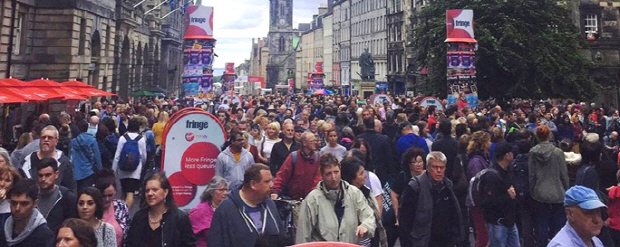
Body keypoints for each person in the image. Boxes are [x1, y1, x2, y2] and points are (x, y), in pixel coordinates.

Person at [296, 153, 376, 244]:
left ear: (340, 170)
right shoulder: (312, 200)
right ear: (322, 175)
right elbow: (303, 235)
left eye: (336, 172)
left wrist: (365, 226)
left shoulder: (354, 193)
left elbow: (368, 215)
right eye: (328, 174)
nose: (333, 178)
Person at [208, 164, 286, 247]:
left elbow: (282, 238)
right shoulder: (226, 209)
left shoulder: (270, 205)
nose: (272, 185)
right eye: (267, 182)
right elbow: (216, 242)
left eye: (271, 180)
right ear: (253, 184)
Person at [398, 151, 463, 247]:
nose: (439, 170)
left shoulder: (448, 186)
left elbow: (455, 215)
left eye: (442, 167)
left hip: (445, 241)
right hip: (422, 241)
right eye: (435, 167)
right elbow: (405, 220)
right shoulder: (415, 187)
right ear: (427, 168)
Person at [124, 172, 196, 247]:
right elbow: (130, 243)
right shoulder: (139, 217)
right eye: (147, 191)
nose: (150, 193)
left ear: (165, 192)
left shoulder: (179, 218)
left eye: (155, 190)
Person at [529, 125, 569, 246]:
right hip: (557, 191)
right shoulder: (558, 152)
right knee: (560, 222)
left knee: (541, 221)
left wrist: (532, 190)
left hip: (539, 192)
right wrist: (566, 189)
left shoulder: (532, 152)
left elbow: (532, 175)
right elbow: (564, 174)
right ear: (549, 135)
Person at [341, 157, 388, 247]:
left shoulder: (367, 192)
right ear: (352, 179)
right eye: (361, 173)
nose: (365, 176)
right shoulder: (344, 198)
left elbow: (375, 218)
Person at [480, 142, 520, 247]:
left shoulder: (509, 170)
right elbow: (487, 202)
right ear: (507, 155)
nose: (513, 154)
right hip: (498, 222)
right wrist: (508, 196)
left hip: (510, 220)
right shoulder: (491, 176)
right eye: (511, 152)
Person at [20, 125, 77, 193]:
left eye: (50, 138)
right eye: (43, 137)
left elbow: (71, 188)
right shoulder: (27, 161)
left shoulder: (65, 163)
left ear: (56, 141)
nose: (46, 140)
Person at [387, 147, 426, 246]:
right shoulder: (403, 176)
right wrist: (397, 214)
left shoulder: (427, 176)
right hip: (406, 216)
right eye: (414, 162)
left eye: (420, 161)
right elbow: (394, 194)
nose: (418, 164)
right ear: (408, 164)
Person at [0, 179, 55, 247]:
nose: (17, 208)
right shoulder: (2, 224)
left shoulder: (43, 234)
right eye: (14, 203)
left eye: (24, 204)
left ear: (35, 203)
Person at [271, 132, 322, 201]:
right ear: (304, 143)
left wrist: (312, 195)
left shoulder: (317, 158)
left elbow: (318, 178)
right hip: (294, 199)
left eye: (315, 141)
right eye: (312, 141)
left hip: (311, 198)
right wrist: (275, 191)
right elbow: (282, 175)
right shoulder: (294, 157)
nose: (315, 143)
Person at [112, 117, 146, 209]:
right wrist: (142, 166)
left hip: (123, 168)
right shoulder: (141, 139)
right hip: (135, 169)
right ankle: (126, 213)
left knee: (124, 190)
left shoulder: (123, 138)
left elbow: (117, 155)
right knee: (130, 192)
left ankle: (121, 211)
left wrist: (114, 169)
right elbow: (143, 156)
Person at [36, 157, 77, 234]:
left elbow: (72, 226)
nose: (43, 179)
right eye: (40, 175)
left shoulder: (67, 197)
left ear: (56, 174)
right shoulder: (31, 196)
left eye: (48, 175)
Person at [189, 176, 229, 247]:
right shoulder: (200, 211)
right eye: (221, 190)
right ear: (211, 192)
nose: (225, 193)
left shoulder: (229, 209)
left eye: (226, 190)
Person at [94, 170, 130, 247]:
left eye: (110, 195)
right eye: (103, 196)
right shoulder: (91, 209)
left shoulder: (121, 206)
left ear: (115, 191)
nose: (107, 199)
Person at [358, 118, 394, 183]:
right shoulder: (384, 139)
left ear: (365, 126)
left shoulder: (359, 138)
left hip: (363, 171)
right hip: (381, 172)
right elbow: (389, 157)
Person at [71, 120, 103, 192]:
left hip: (76, 171)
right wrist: (99, 169)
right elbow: (96, 156)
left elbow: (71, 156)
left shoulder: (73, 141)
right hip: (88, 171)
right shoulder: (92, 140)